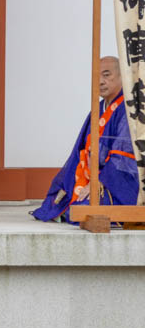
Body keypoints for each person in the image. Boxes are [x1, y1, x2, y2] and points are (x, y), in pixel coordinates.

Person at [32, 56, 137, 222]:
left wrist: (99, 182)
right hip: (89, 173)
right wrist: (74, 178)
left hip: (116, 180)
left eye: (106, 75)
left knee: (84, 208)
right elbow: (80, 149)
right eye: (96, 77)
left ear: (122, 76)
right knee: (55, 199)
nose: (100, 82)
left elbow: (123, 156)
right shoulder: (98, 108)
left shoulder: (128, 109)